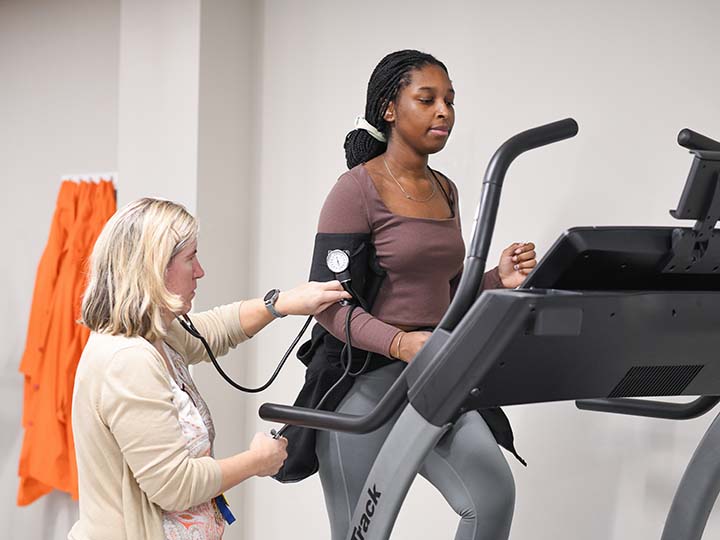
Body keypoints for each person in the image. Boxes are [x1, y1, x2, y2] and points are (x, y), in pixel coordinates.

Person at [286, 50, 537, 540]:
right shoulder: (354, 191)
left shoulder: (446, 190)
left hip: (434, 380)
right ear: (389, 108)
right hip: (362, 388)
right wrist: (401, 343)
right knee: (362, 532)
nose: (444, 111)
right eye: (427, 99)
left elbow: (442, 295)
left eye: (449, 101)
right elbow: (329, 307)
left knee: (491, 498)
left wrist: (493, 279)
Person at [68, 197, 350, 540]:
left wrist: (281, 304)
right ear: (154, 268)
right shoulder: (127, 361)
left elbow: (212, 331)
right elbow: (175, 485)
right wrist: (256, 461)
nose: (200, 271)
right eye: (190, 259)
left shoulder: (157, 333)